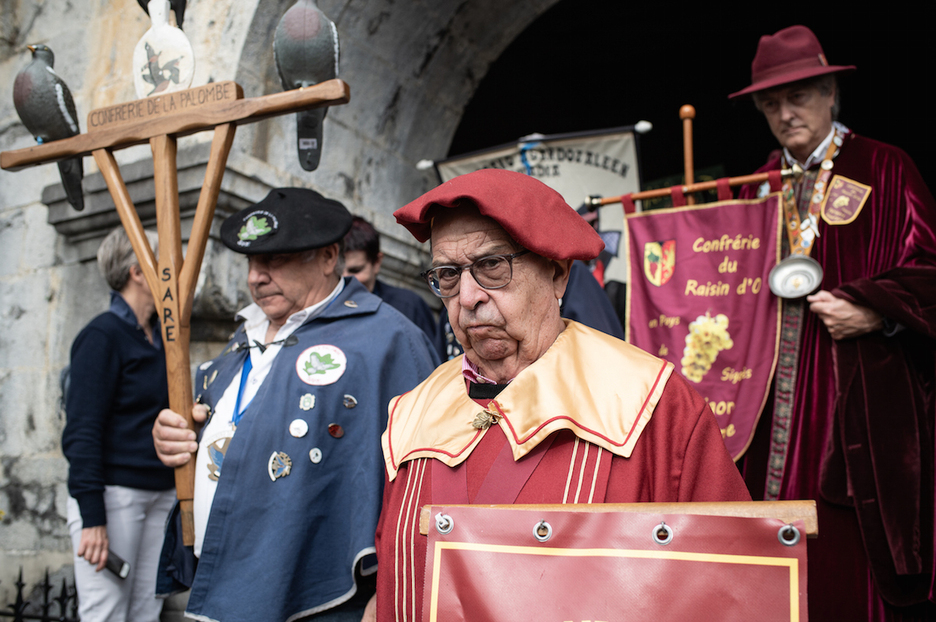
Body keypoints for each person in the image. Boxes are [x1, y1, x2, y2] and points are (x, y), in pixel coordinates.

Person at [369, 169, 752, 620]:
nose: (468, 296)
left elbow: (730, 588)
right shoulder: (411, 413)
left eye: (492, 266)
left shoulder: (653, 404)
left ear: (557, 275)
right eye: (448, 275)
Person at [151, 188, 439, 621]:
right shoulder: (241, 338)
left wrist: (392, 593)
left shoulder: (387, 340)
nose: (256, 277)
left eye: (276, 259)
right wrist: (177, 437)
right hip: (229, 575)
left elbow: (428, 483)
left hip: (324, 595)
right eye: (252, 262)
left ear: (327, 257)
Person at [729, 25, 936, 620]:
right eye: (771, 103)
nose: (785, 112)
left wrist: (875, 310)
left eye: (799, 96)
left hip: (856, 398)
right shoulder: (754, 188)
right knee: (769, 550)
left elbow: (929, 271)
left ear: (830, 95)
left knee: (848, 553)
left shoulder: (885, 167)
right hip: (769, 410)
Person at [62, 227, 175, 622]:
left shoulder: (161, 338)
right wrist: (93, 518)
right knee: (106, 613)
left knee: (147, 612)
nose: (174, 268)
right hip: (115, 497)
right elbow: (82, 432)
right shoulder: (102, 336)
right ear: (138, 272)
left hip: (161, 495)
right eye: (164, 261)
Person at [342, 216, 439, 346]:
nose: (345, 279)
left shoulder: (408, 307)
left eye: (356, 270)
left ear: (377, 262)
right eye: (337, 271)